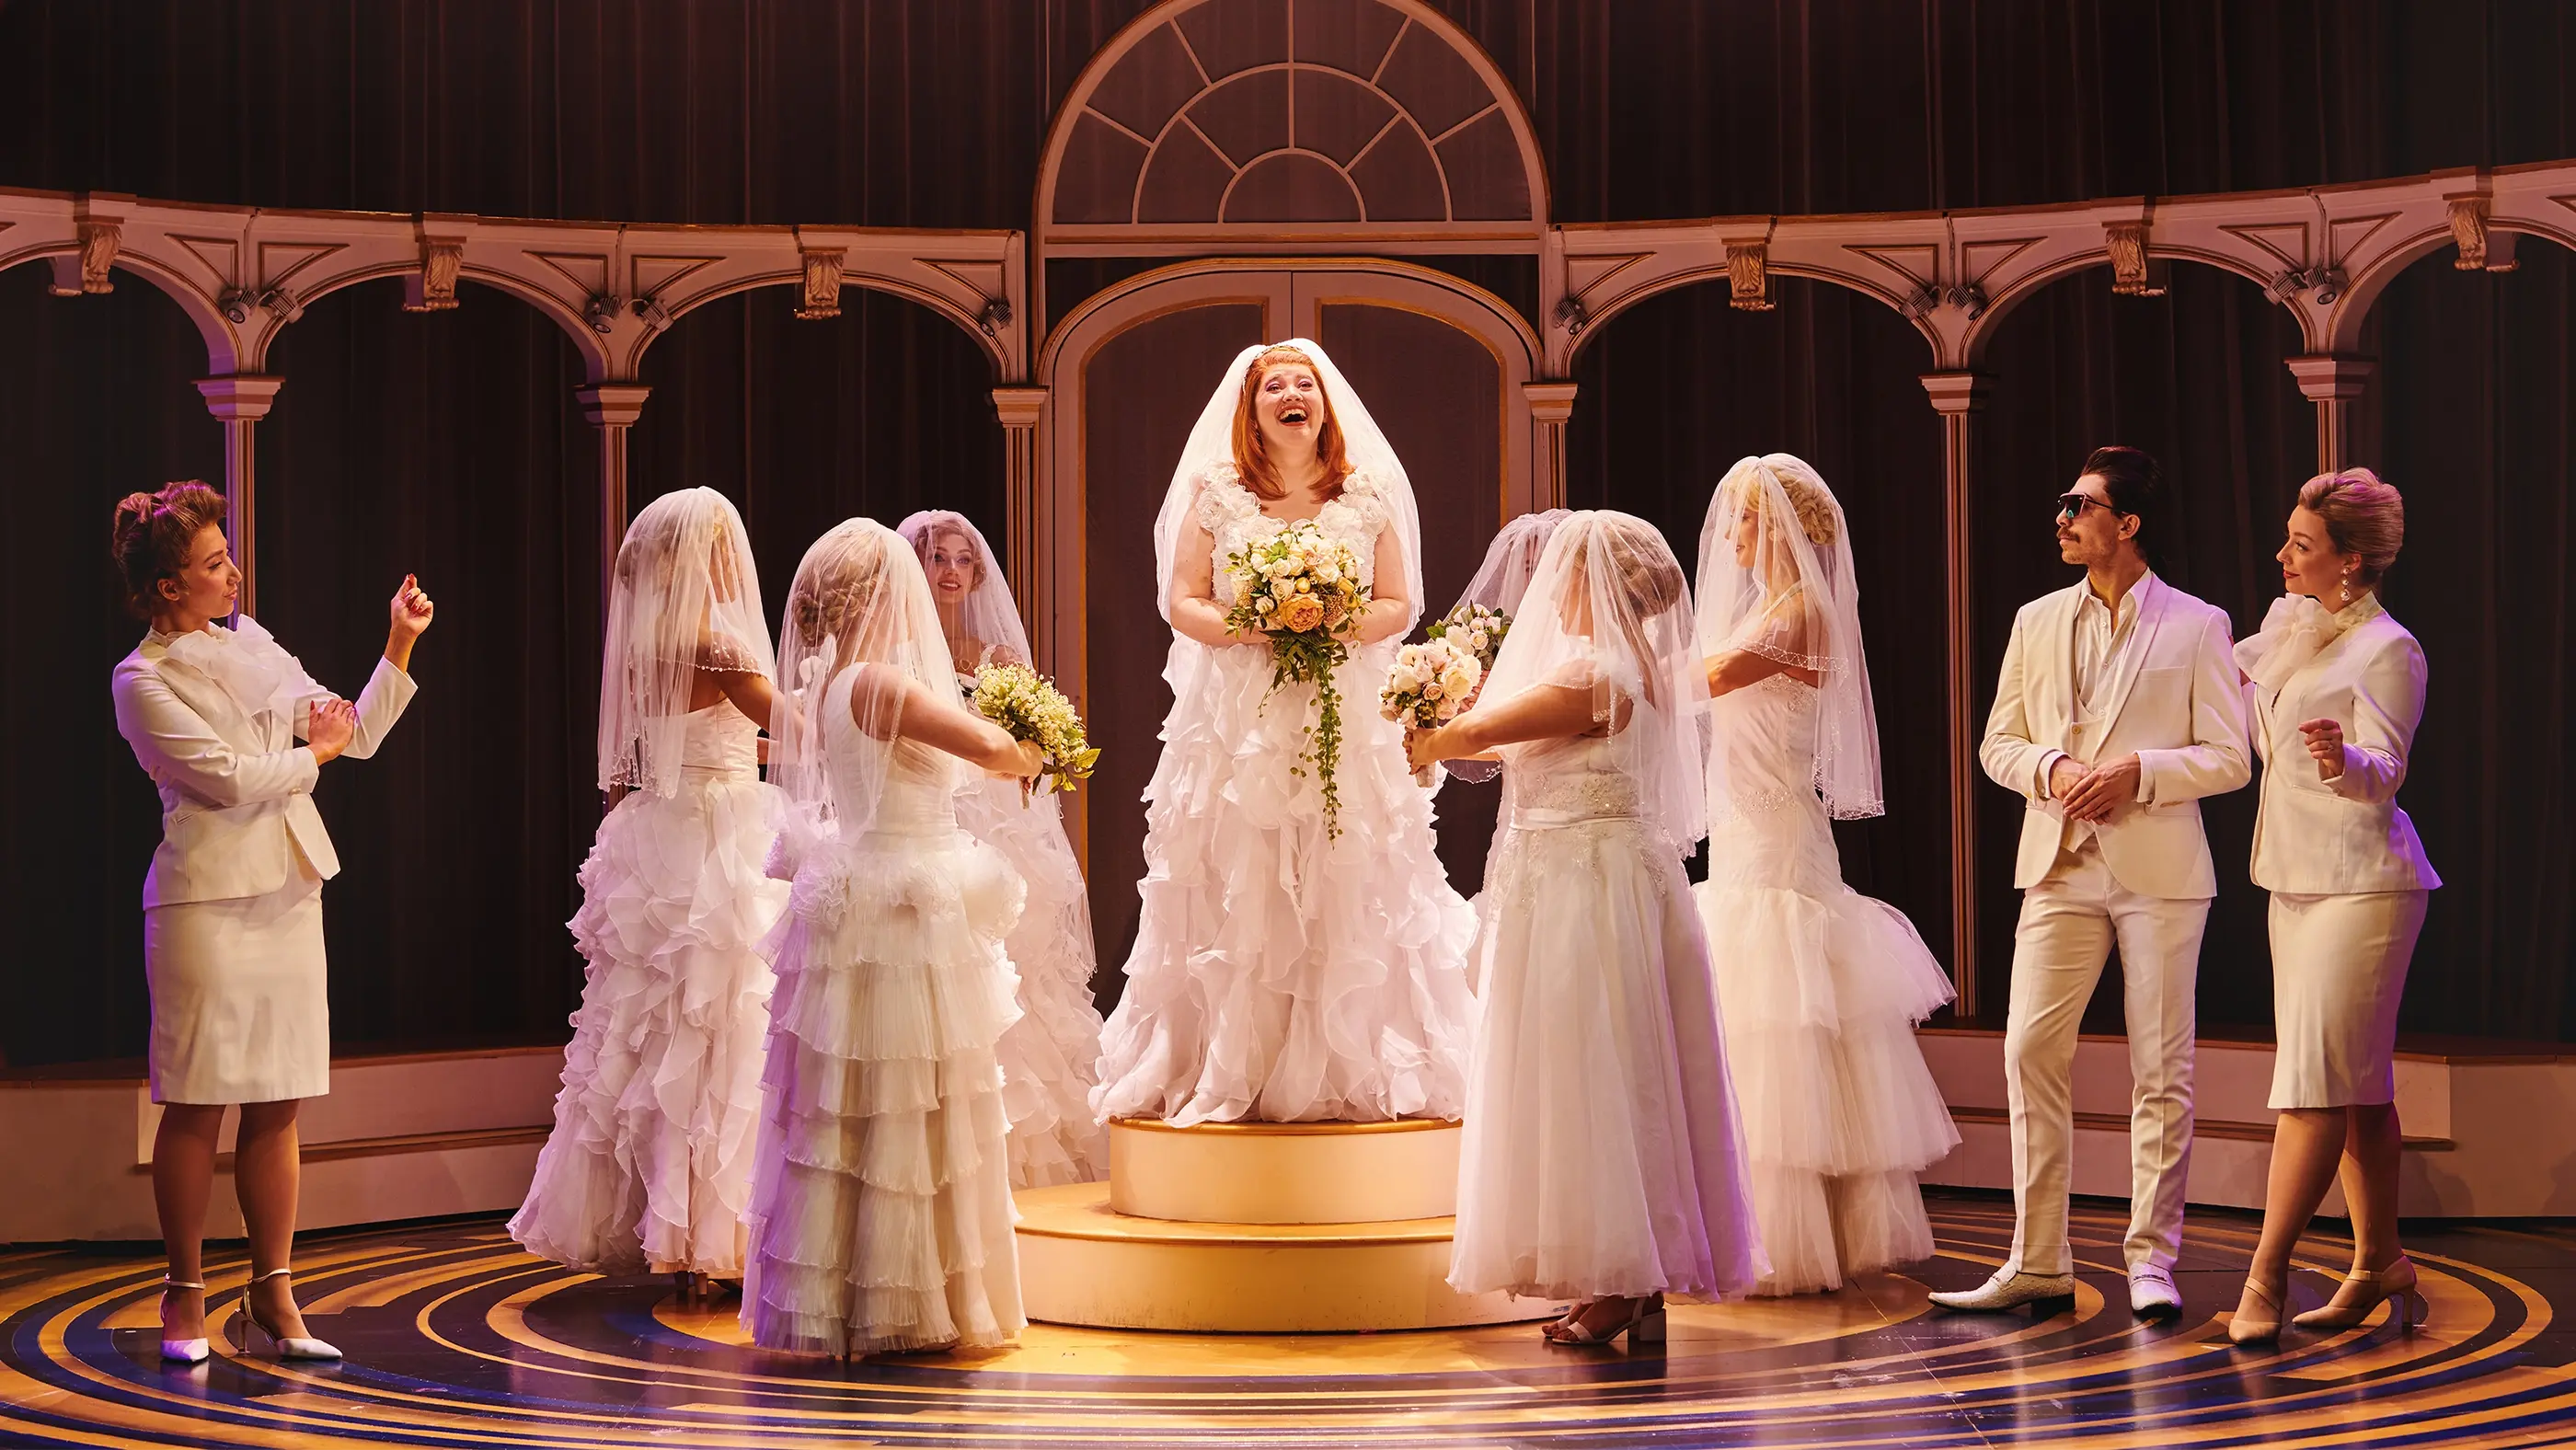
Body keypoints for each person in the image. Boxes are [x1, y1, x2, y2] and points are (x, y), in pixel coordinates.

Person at [1093, 339, 1477, 1126]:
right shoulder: (1217, 493)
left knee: (1349, 862)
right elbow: (1183, 600)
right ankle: (1238, 1057)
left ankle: (1353, 1056)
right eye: (1275, 387)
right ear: (1253, 409)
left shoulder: (1366, 493)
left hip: (1345, 709)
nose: (1292, 395)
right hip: (1242, 712)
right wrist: (1261, 625)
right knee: (1246, 865)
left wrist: (1329, 622)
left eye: (1305, 384)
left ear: (1325, 407)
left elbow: (1397, 604)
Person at [1410, 512, 1763, 1346]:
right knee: (1598, 1072)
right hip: (1591, 880)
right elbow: (1506, 743)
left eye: (1562, 573)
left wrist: (1421, 728)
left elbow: (1478, 734)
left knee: (1597, 1072)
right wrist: (1445, 728)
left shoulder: (1596, 671)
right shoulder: (1630, 667)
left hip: (1585, 890)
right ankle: (1625, 1281)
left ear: (1593, 582)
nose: (1549, 588)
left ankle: (1626, 1278)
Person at [109, 481, 431, 1363]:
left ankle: (273, 1296)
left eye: (227, 557)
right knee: (196, 1102)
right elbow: (226, 779)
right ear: (169, 586)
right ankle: (183, 1297)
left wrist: (398, 642)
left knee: (278, 1101)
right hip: (206, 904)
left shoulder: (249, 642)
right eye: (214, 564)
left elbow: (354, 732)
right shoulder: (142, 679)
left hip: (287, 889)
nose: (234, 574)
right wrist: (312, 752)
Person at [1933, 446, 2249, 1319]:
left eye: (2080, 506)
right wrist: (2054, 768)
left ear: (2128, 523)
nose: (2063, 519)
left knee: (2161, 1066)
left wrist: (2141, 771)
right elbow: (1998, 744)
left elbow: (2230, 757)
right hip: (2060, 864)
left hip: (2159, 871)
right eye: (2064, 505)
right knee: (2030, 1049)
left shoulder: (2198, 624)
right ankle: (2038, 1259)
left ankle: (2152, 1260)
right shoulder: (2035, 619)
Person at [740, 519, 1043, 1358]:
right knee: (909, 1109)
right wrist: (1033, 746)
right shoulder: (883, 682)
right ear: (883, 595)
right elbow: (990, 749)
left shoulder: (832, 682)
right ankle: (910, 1303)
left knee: (857, 1110)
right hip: (908, 906)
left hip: (864, 895)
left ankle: (848, 1299)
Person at [1692, 455, 1959, 1296]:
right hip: (1744, 833)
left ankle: (1786, 1240)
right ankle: (1752, 1227)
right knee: (1755, 1023)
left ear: (1776, 527)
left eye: (1742, 519)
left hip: (1778, 842)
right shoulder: (1769, 610)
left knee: (1783, 1022)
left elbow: (1705, 679)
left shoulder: (1802, 613)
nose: (1730, 536)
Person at [511, 487, 783, 1293]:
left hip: (661, 831)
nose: (733, 559)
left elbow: (658, 750)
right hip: (721, 836)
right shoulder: (720, 644)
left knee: (660, 1032)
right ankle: (715, 1238)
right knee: (724, 1027)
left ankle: (680, 1239)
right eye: (722, 545)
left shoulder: (649, 643)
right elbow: (789, 727)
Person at [2225, 469, 2438, 1343]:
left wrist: (2340, 759)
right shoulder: (2296, 630)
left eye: (2302, 544)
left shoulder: (2390, 648)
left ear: (2350, 561)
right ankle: (2380, 1262)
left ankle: (2264, 1278)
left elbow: (2386, 769)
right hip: (2295, 879)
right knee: (2358, 1090)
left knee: (2312, 1083)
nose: (2282, 554)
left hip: (2362, 887)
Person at [896, 509, 1107, 1187]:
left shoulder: (999, 661)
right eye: (938, 559)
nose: (952, 572)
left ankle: (1024, 1144)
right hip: (930, 816)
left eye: (964, 561)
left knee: (1016, 969)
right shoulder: (895, 659)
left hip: (993, 823)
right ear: (914, 568)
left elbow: (1031, 752)